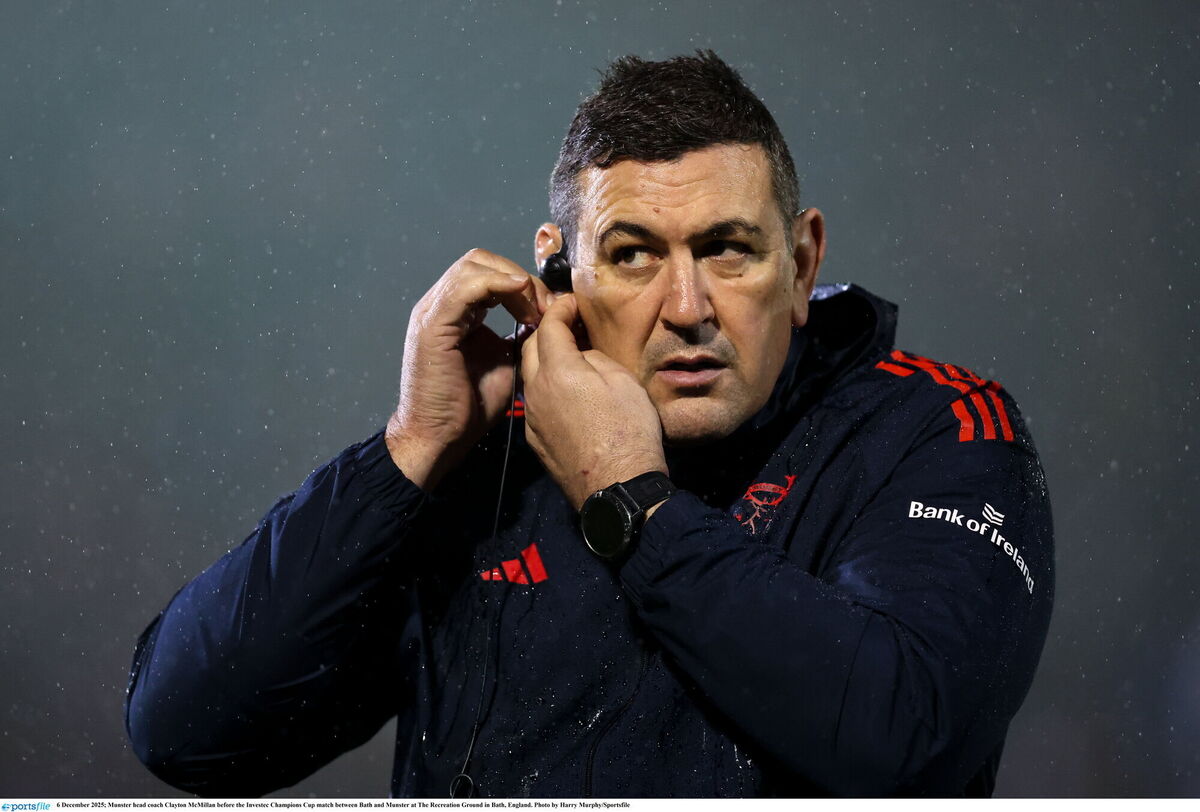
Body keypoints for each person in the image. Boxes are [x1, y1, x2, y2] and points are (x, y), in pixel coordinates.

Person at [125, 51, 1054, 798]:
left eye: (728, 249)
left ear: (803, 263)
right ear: (560, 273)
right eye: (634, 253)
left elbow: (904, 742)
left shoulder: (938, 431)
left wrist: (629, 499)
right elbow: (186, 736)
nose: (687, 305)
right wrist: (406, 451)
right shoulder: (474, 468)